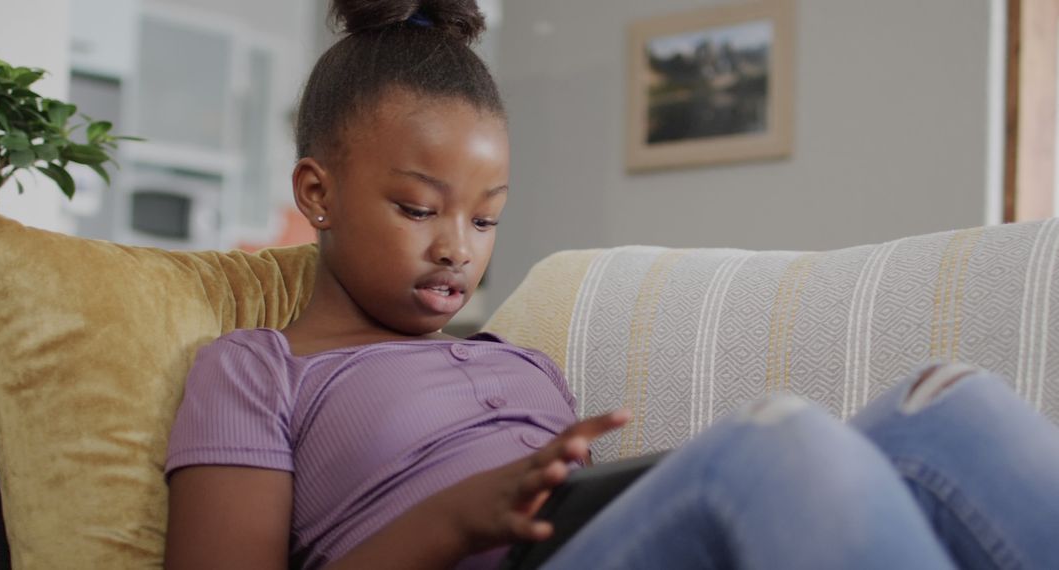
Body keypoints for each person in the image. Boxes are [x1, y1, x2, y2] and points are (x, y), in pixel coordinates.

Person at [162, 1, 1059, 569]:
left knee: (951, 409)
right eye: (417, 208)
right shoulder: (257, 369)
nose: (456, 250)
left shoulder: (520, 362)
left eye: (485, 220)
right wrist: (458, 520)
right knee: (778, 444)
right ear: (317, 193)